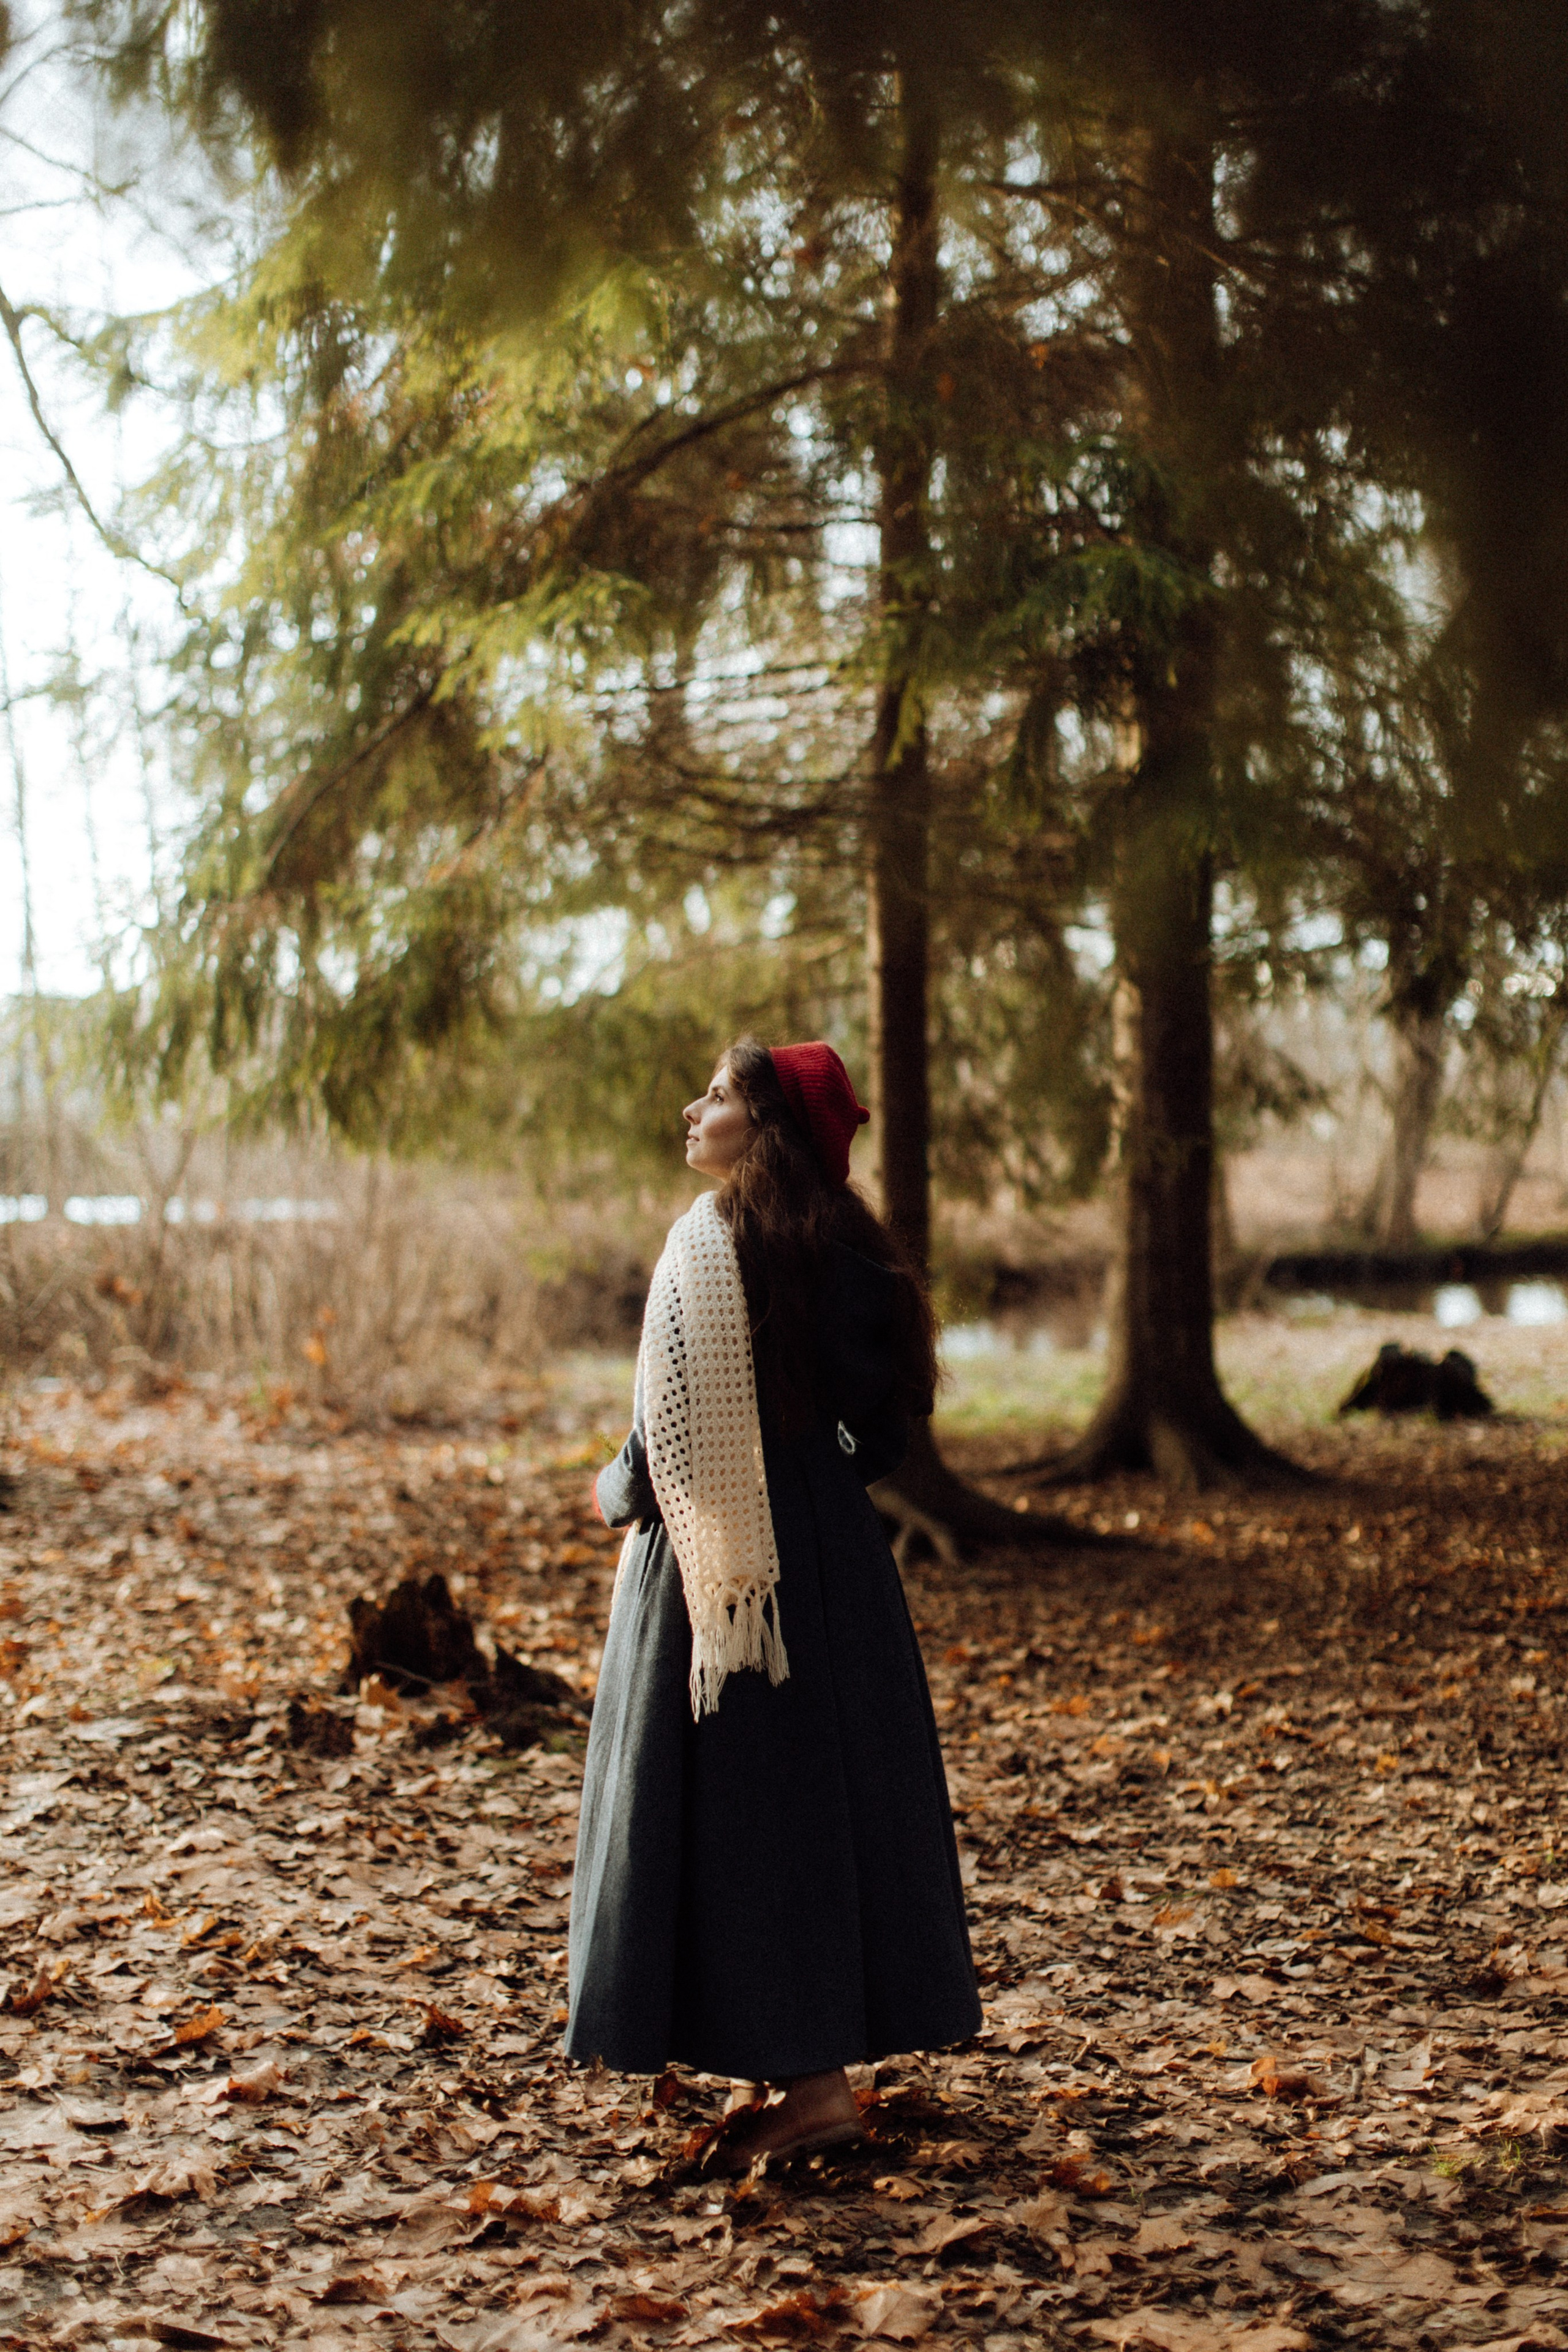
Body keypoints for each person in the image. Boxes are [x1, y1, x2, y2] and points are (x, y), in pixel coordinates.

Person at [565, 1037, 981, 2165]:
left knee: (735, 1813)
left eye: (720, 1096)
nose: (693, 1110)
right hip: (830, 1569)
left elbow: (659, 1457)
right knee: (820, 1810)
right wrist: (806, 1480)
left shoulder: (708, 1247)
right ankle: (814, 2078)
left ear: (769, 1130)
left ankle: (809, 2092)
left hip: (718, 1574)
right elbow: (883, 1436)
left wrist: (615, 1494)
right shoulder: (848, 1246)